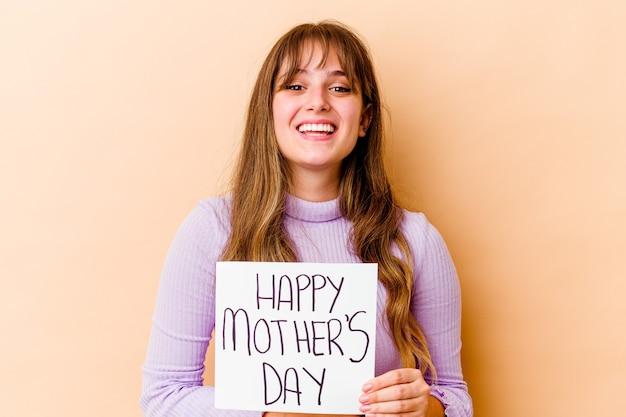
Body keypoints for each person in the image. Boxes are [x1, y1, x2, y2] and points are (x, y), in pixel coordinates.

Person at [140, 20, 473, 417]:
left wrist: (428, 408)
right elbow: (164, 396)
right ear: (270, 110)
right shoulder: (212, 229)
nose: (317, 102)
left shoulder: (415, 240)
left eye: (339, 87)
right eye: (296, 86)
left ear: (365, 119)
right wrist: (270, 414)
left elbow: (454, 397)